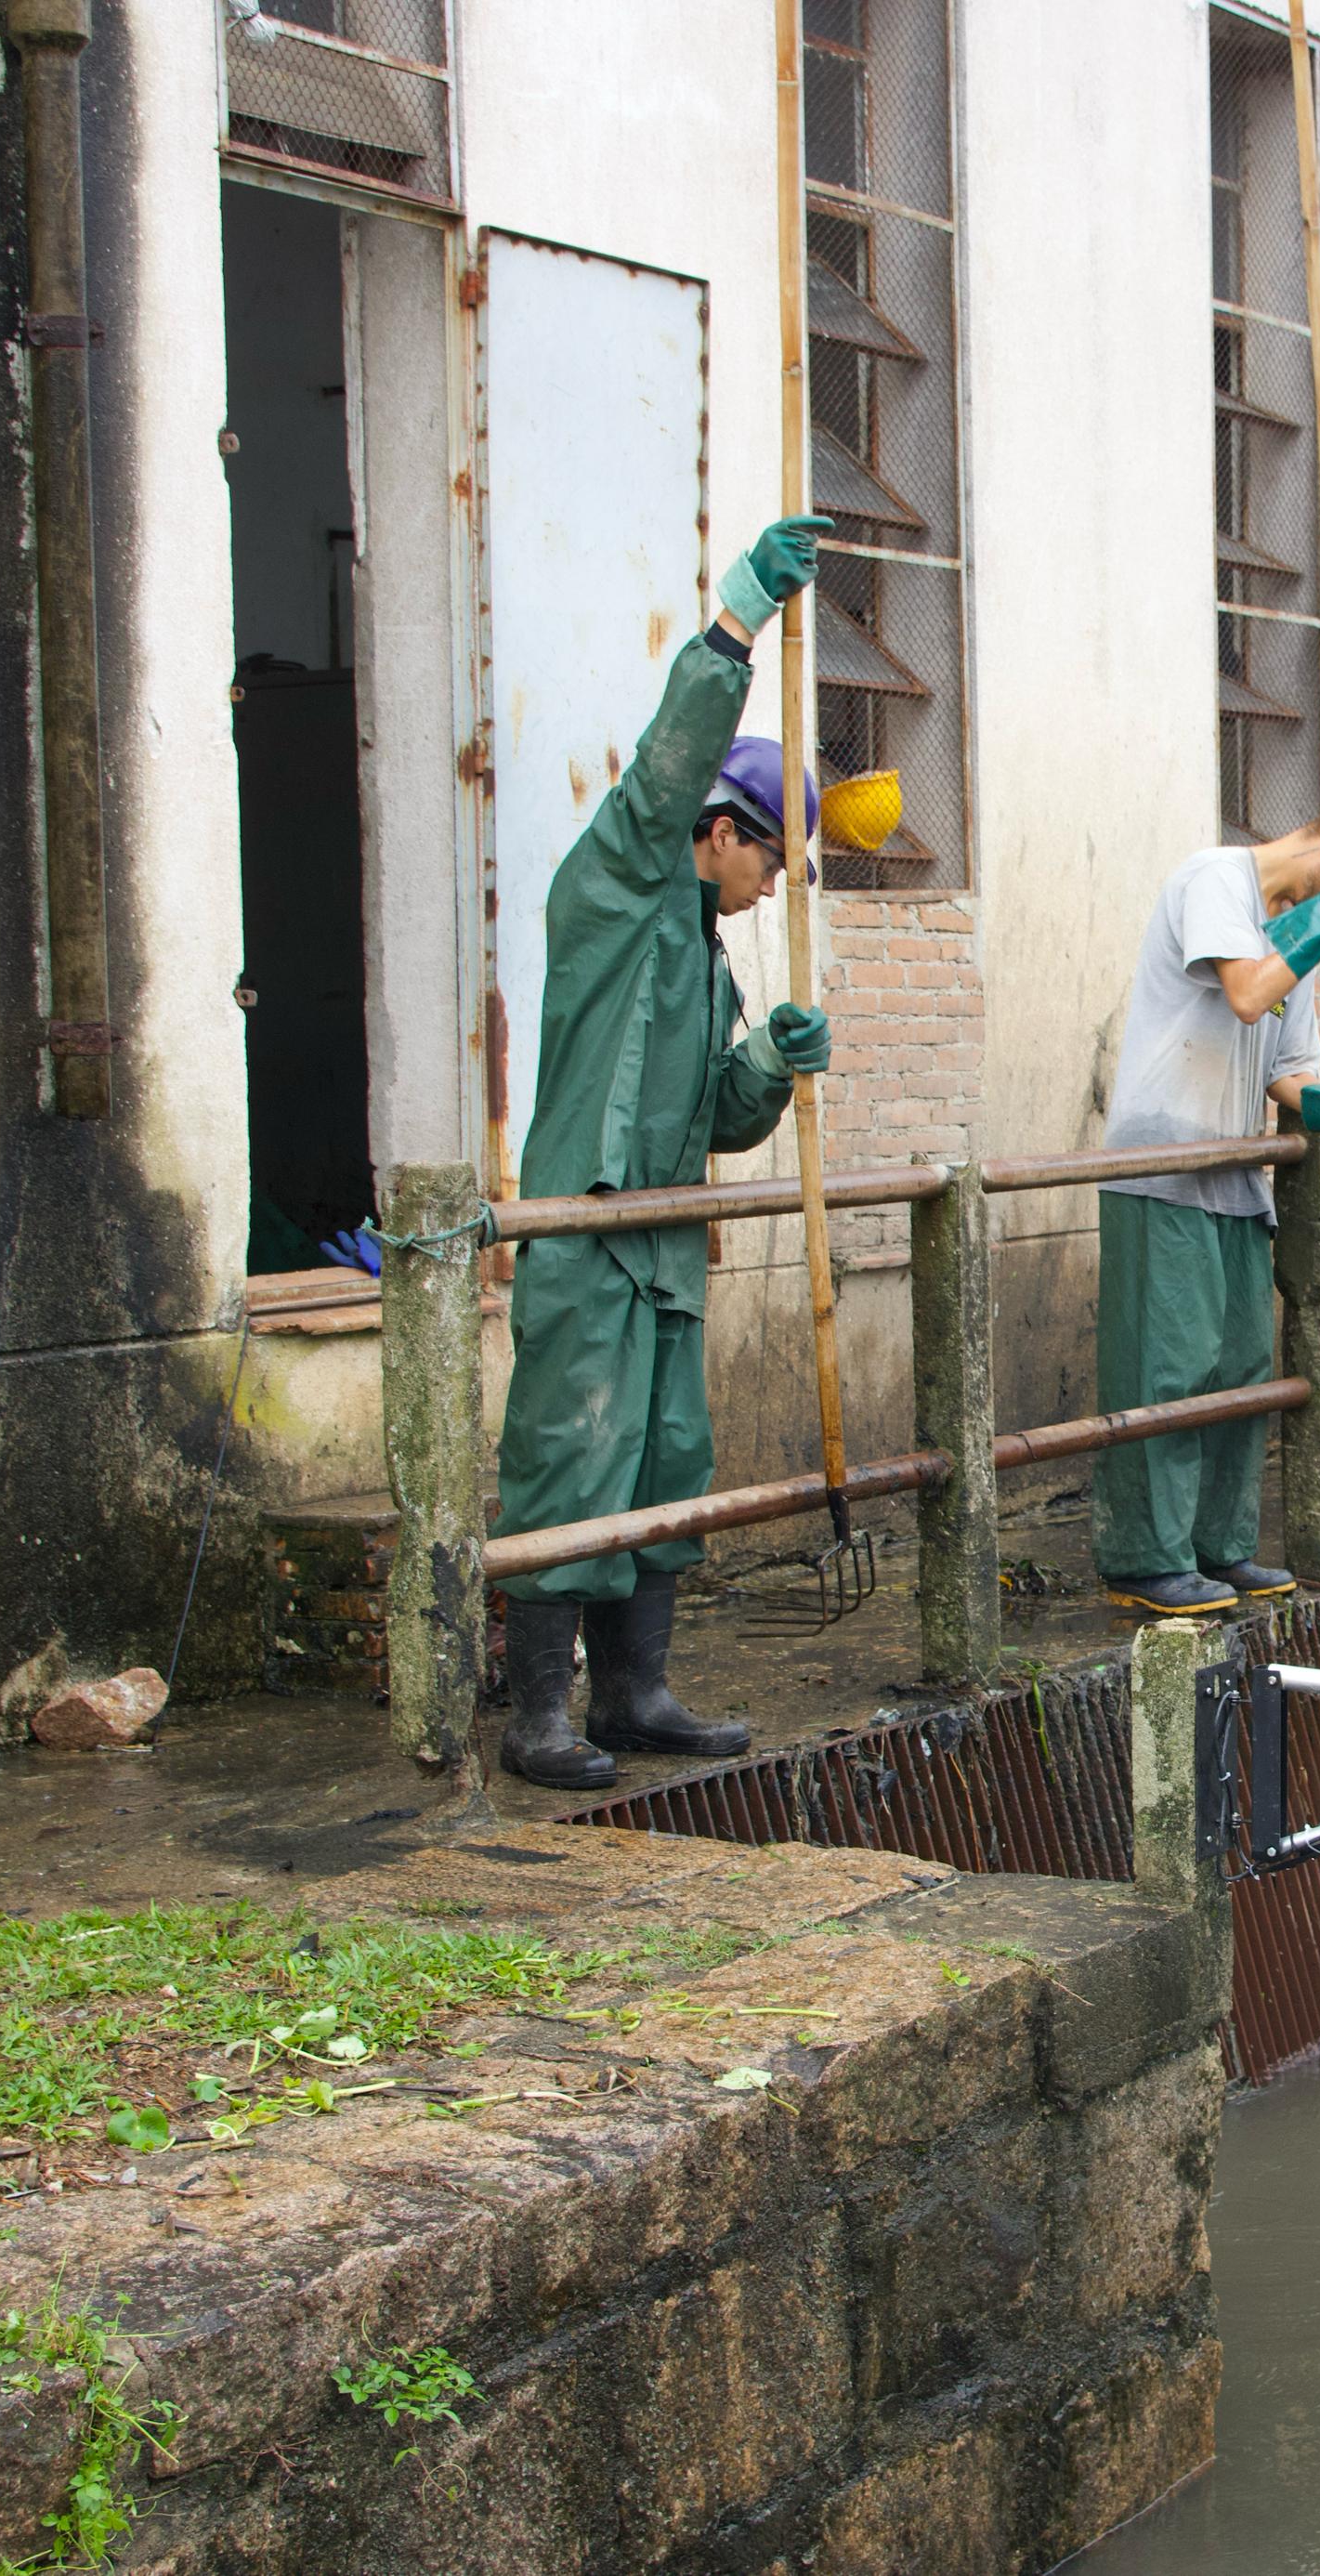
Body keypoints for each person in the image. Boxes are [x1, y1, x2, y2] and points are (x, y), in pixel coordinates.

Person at [486, 515, 841, 1790]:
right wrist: (738, 623)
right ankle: (537, 1714)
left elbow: (717, 1124)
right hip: (589, 1243)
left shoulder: (704, 957)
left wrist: (771, 1066)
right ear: (720, 827)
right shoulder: (620, 885)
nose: (768, 887)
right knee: (571, 1459)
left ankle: (636, 1691)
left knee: (661, 1465)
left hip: (666, 1246)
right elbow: (661, 767)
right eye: (769, 860)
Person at [1091, 797, 1320, 1616]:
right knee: (1170, 1364)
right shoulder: (1215, 878)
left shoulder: (1305, 938)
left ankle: (1218, 1544)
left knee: (1240, 1362)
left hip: (1237, 1169)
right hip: (1163, 1162)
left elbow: (1289, 1074)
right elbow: (1245, 992)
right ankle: (1145, 1556)